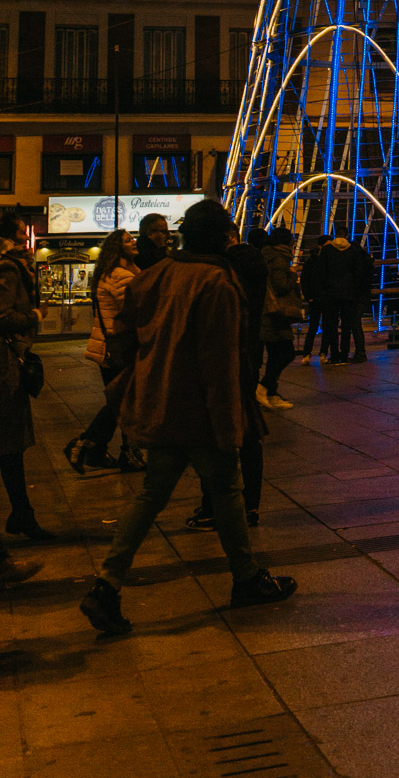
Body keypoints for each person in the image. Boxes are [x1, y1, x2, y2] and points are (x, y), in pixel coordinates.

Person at [78, 198, 297, 637]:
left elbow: (122, 338)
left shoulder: (154, 275)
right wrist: (227, 422)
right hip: (200, 410)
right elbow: (219, 359)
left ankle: (108, 582)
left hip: (161, 402)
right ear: (220, 238)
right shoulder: (217, 282)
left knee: (152, 495)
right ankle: (246, 577)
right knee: (228, 491)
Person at [187, 229, 269, 532]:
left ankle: (213, 507)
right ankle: (251, 505)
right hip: (248, 358)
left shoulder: (220, 272)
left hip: (221, 361)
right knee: (248, 437)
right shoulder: (255, 266)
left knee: (215, 437)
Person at [64, 228, 145, 473]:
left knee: (122, 401)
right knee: (122, 401)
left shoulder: (122, 272)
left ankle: (98, 451)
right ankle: (85, 444)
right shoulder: (120, 275)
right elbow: (135, 309)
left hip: (113, 347)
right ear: (117, 248)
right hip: (120, 348)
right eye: (128, 240)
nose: (133, 242)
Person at [0, 210, 53, 541]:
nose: (26, 238)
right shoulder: (7, 267)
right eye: (22, 233)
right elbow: (3, 315)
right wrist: (35, 313)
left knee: (10, 447)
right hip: (4, 368)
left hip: (8, 366)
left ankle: (23, 513)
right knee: (9, 444)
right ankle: (22, 514)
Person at [259, 228, 303, 409]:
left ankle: (270, 392)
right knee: (286, 352)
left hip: (269, 312)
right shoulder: (279, 259)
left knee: (276, 353)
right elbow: (282, 287)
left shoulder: (267, 256)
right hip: (276, 313)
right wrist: (292, 274)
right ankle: (263, 388)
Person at [314, 231, 369, 363]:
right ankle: (344, 354)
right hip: (349, 293)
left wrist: (322, 289)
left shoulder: (327, 250)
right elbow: (358, 271)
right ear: (346, 236)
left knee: (331, 325)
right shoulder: (352, 250)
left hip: (330, 293)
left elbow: (320, 271)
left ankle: (334, 354)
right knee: (346, 325)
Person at [300, 233, 331, 362]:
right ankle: (307, 353)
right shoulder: (312, 261)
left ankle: (323, 352)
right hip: (316, 298)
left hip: (327, 298)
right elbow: (305, 280)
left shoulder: (330, 260)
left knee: (326, 326)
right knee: (313, 327)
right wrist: (309, 296)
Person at [344, 238, 375, 362]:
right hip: (363, 296)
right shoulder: (367, 262)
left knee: (354, 324)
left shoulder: (357, 263)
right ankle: (360, 351)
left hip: (355, 296)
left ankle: (360, 352)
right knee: (356, 324)